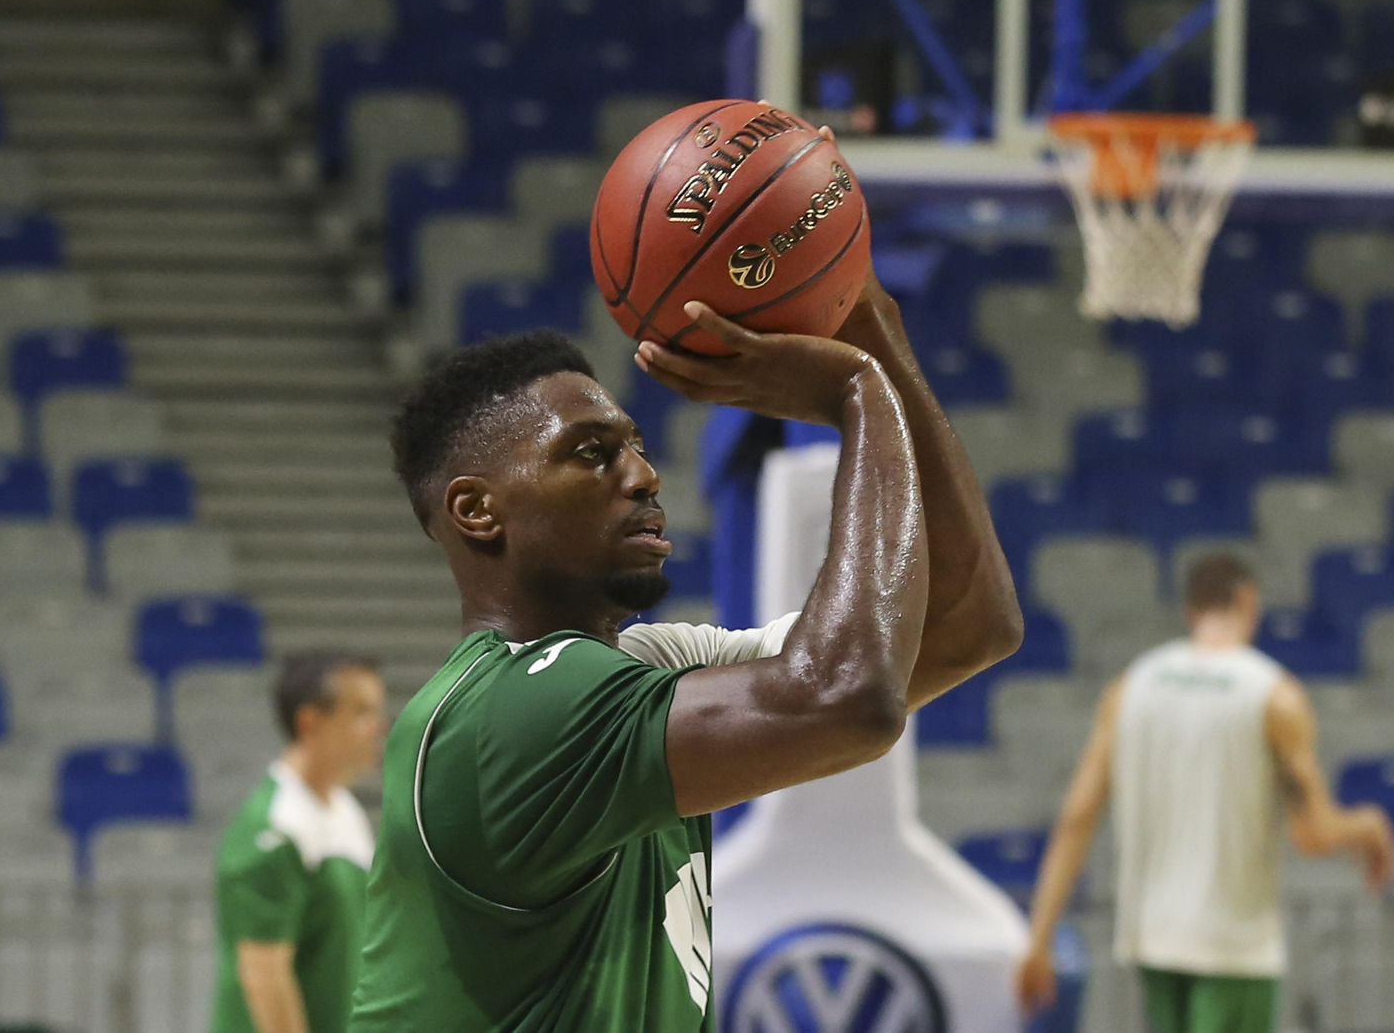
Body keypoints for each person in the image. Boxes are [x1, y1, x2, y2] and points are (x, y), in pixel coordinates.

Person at [348, 268, 1024, 1031]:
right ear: (476, 509)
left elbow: (971, 625)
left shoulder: (642, 668)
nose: (643, 473)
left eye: (634, 445)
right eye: (591, 452)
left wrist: (879, 331)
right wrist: (861, 393)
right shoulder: (513, 708)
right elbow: (850, 697)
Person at [1015, 553, 1394, 1033]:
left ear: (1189, 610)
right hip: (1233, 945)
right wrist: (1371, 828)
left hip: (1155, 939)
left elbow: (1077, 815)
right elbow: (1314, 834)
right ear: (1247, 601)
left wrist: (1039, 939)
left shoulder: (1130, 687)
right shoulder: (1274, 695)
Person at [209, 651, 388, 1033]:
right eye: (361, 712)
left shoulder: (344, 810)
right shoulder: (273, 828)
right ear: (310, 722)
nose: (378, 727)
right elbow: (264, 977)